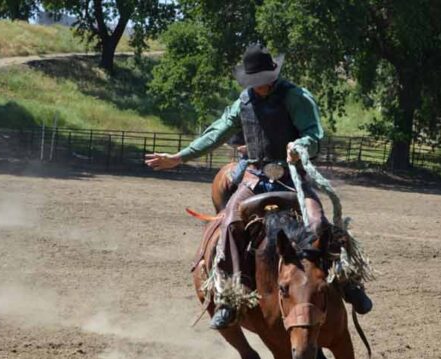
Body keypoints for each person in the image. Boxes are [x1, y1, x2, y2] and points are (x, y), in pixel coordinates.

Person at [146, 44, 372, 329]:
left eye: (263, 80)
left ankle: (347, 280)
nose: (260, 87)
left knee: (318, 222)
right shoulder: (243, 102)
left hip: (293, 175)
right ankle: (232, 295)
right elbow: (216, 132)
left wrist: (300, 145)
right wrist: (179, 157)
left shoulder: (296, 97)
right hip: (255, 176)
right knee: (229, 223)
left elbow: (314, 133)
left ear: (273, 74)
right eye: (254, 82)